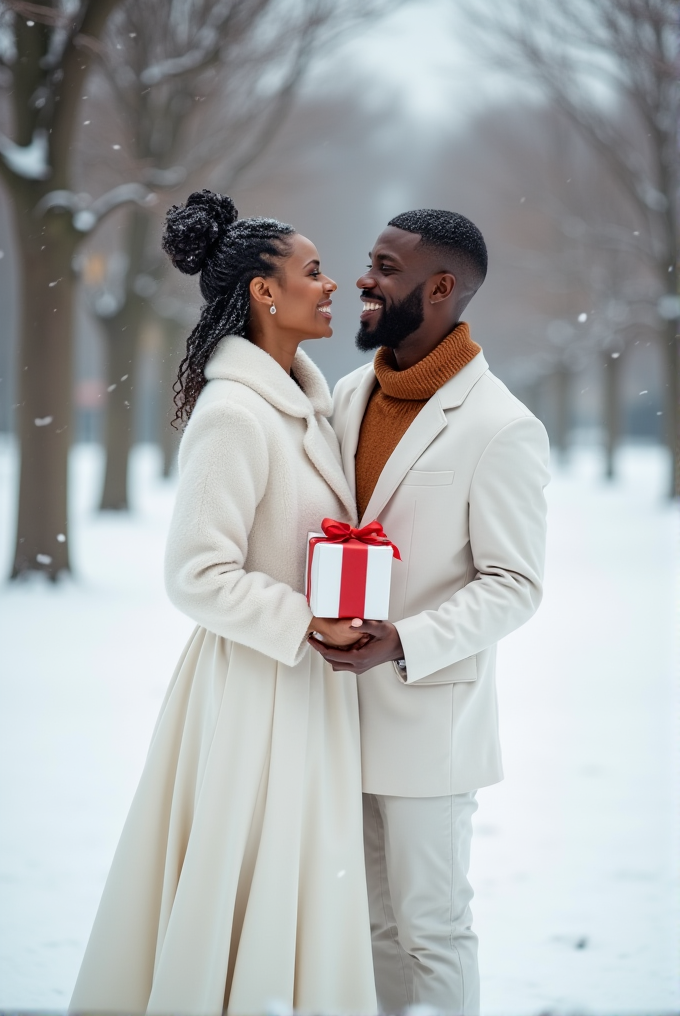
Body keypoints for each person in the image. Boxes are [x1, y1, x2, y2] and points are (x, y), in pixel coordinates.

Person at [70, 190, 376, 1016]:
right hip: (251, 693)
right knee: (243, 885)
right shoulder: (237, 412)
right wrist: (305, 620)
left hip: (305, 688)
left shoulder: (305, 405)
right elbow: (195, 573)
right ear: (263, 294)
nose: (332, 284)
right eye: (313, 272)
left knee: (297, 882)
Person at [310, 209, 550, 1015]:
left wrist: (403, 641)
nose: (363, 280)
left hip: (428, 725)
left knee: (432, 930)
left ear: (441, 288)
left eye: (385, 265)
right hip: (333, 715)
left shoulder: (502, 427)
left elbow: (515, 582)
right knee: (371, 927)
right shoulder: (349, 395)